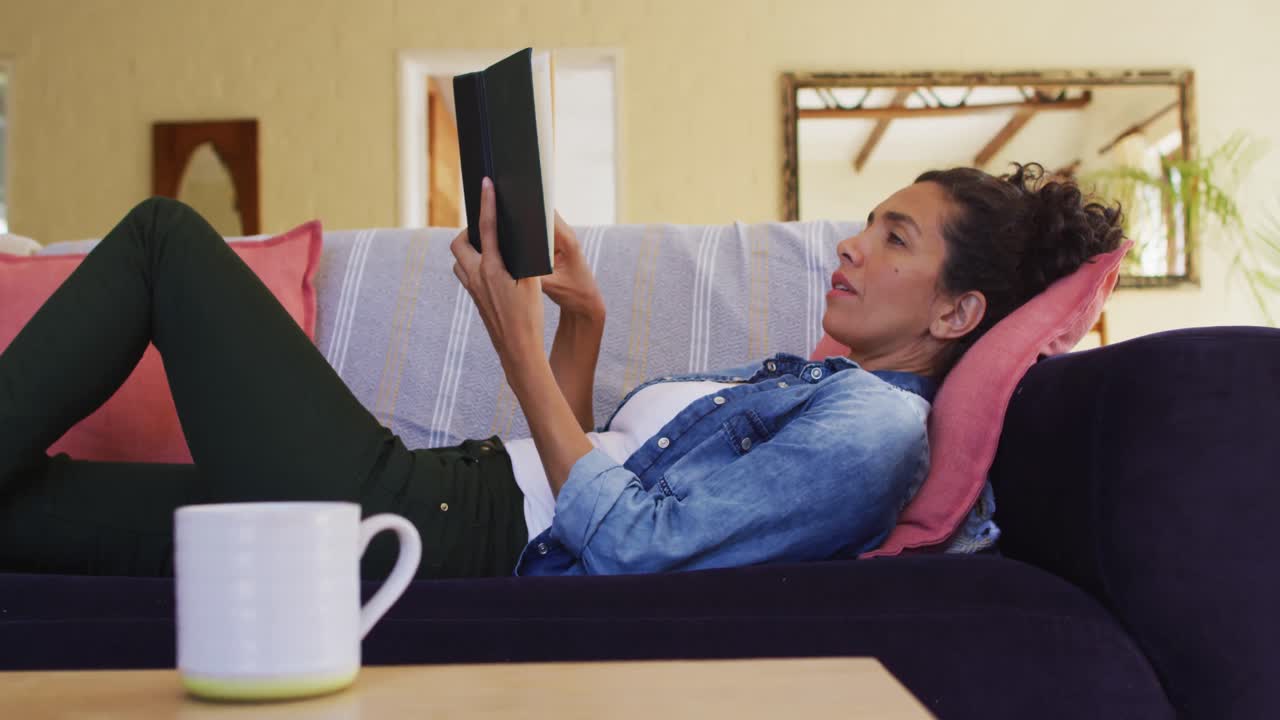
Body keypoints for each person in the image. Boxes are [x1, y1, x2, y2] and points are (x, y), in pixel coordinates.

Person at [0, 163, 1123, 579]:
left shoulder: (875, 433)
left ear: (958, 310)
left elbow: (631, 545)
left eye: (892, 237)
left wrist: (506, 340)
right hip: (438, 496)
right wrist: (571, 334)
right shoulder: (815, 384)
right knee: (27, 511)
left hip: (432, 532)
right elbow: (606, 478)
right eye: (865, 223)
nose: (848, 246)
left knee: (164, 240)